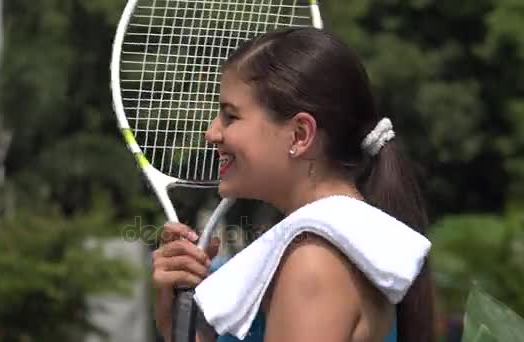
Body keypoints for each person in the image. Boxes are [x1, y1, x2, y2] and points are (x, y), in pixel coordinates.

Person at [151, 27, 435, 342]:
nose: (212, 133)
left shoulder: (315, 262)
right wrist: (174, 320)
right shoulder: (343, 245)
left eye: (231, 116)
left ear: (300, 135)